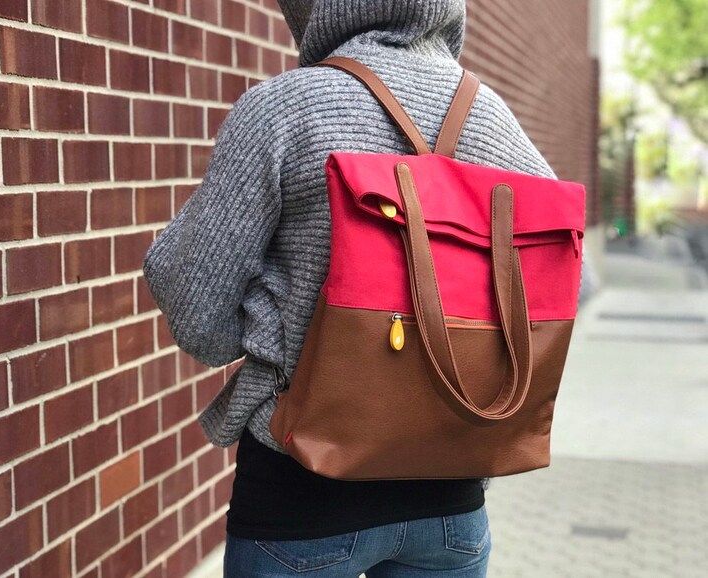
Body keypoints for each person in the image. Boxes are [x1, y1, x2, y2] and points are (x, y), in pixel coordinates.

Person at [143, 1, 597, 576]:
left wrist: (282, 342)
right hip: (451, 505)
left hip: (301, 499)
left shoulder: (283, 108)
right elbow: (563, 286)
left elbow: (197, 317)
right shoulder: (492, 116)